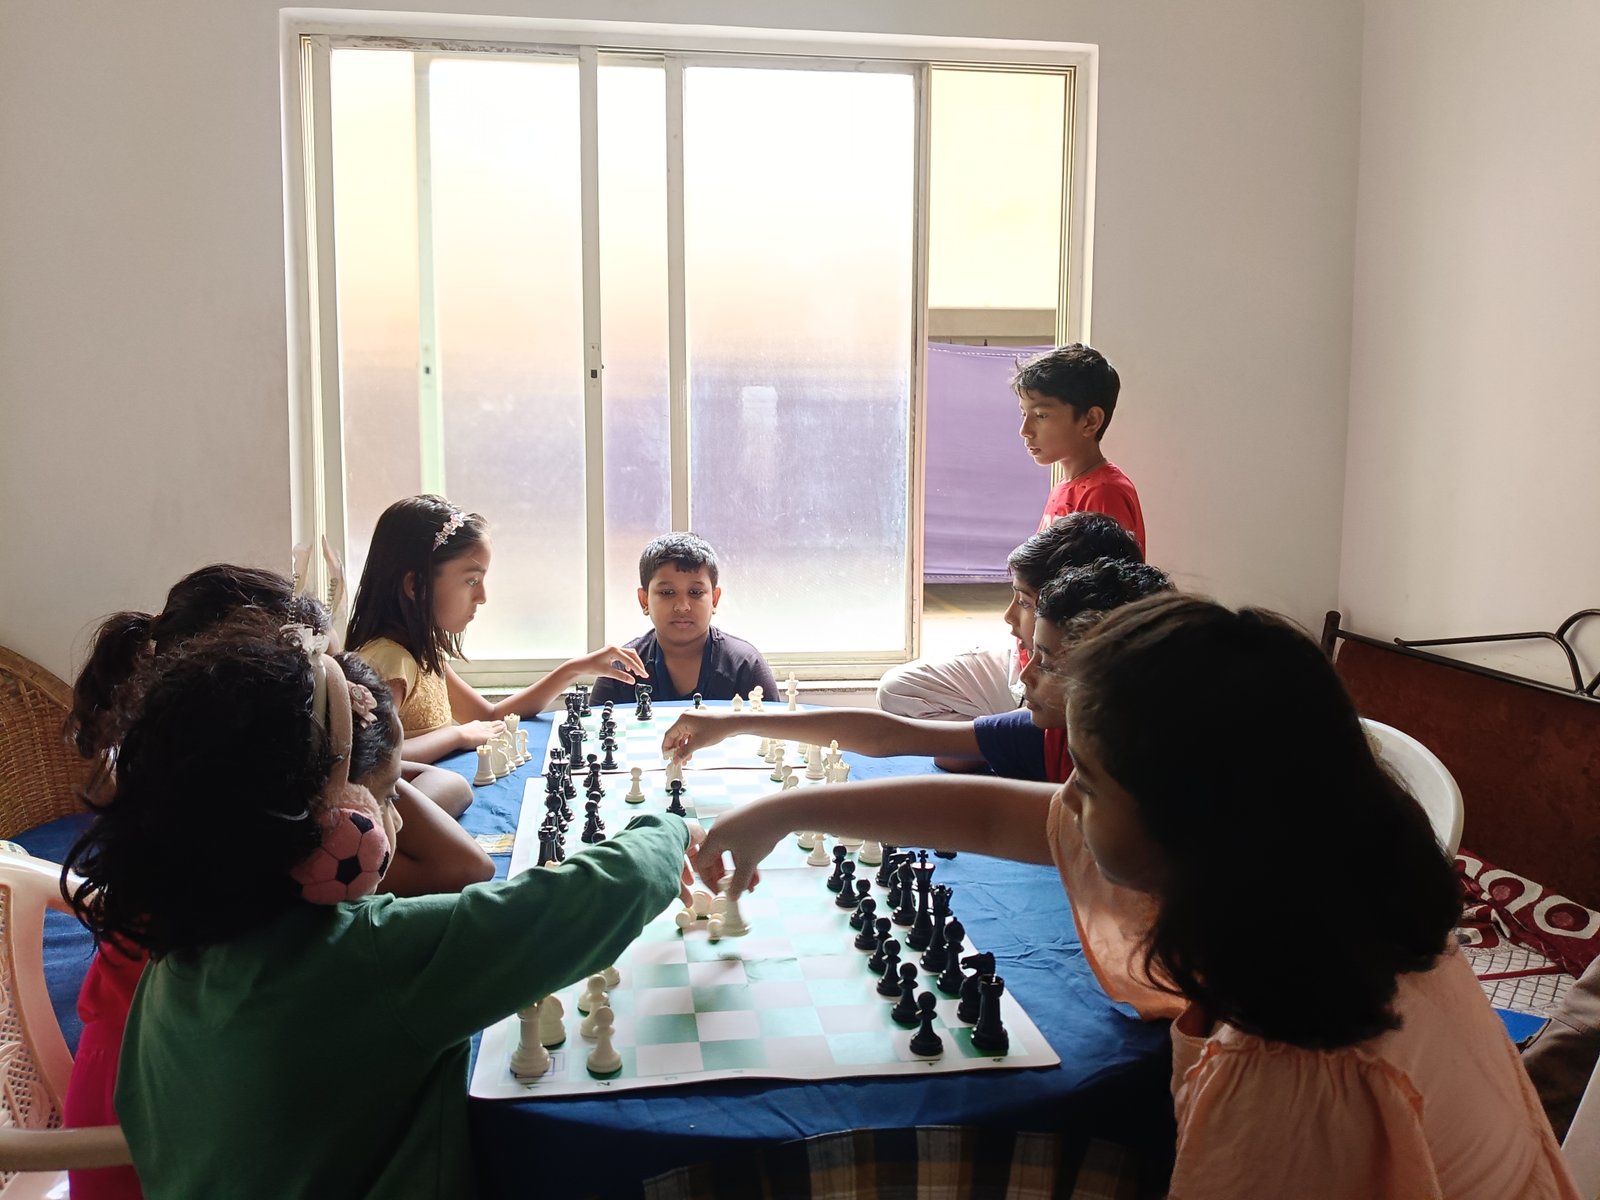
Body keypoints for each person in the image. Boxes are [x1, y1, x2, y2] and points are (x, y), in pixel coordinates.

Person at [696, 595, 1580, 1198]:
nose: (1065, 802)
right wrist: (790, 807)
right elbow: (1001, 812)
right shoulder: (1330, 892)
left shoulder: (1290, 1073)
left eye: (1086, 777)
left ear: (1191, 822)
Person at [64, 618, 692, 1199]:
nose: (388, 820)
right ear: (320, 821)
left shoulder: (170, 961)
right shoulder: (367, 958)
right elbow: (574, 905)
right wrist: (668, 831)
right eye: (383, 796)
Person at [60, 566, 493, 1200]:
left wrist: (353, 767)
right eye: (320, 685)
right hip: (169, 1163)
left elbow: (449, 803)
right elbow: (466, 869)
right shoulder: (260, 845)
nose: (333, 692)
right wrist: (347, 777)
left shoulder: (190, 803)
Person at [660, 557, 1171, 785]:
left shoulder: (1163, 789)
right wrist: (734, 724)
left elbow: (1000, 821)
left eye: (1051, 662)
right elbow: (890, 736)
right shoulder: (1038, 730)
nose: (1028, 676)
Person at [878, 345, 1146, 722]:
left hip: (1051, 670)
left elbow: (1101, 609)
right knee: (898, 690)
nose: (1025, 430)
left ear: (1089, 421)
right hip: (1023, 653)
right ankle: (1000, 740)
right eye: (1024, 414)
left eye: (1040, 415)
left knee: (917, 712)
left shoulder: (1104, 492)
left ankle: (1007, 742)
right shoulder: (1064, 487)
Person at [347, 494, 648, 763]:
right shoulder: (390, 661)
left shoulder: (424, 656)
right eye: (471, 581)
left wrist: (574, 668)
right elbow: (380, 757)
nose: (482, 596)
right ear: (416, 585)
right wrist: (458, 736)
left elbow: (488, 716)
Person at [588, 532, 777, 707]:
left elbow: (778, 737)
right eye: (667, 592)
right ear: (644, 600)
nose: (682, 606)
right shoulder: (620, 672)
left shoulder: (745, 666)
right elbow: (591, 737)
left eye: (695, 592)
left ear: (714, 599)